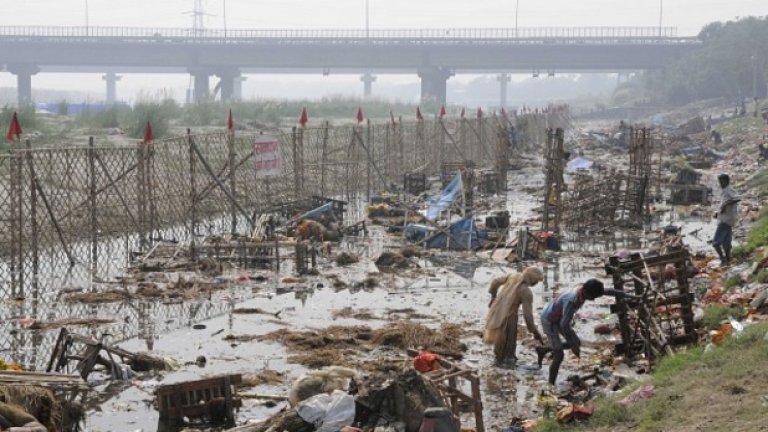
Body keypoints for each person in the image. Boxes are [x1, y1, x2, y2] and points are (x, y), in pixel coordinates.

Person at [536, 279, 634, 386]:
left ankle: (544, 349)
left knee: (577, 342)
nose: (593, 299)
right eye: (592, 297)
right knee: (559, 355)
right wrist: (572, 345)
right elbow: (564, 325)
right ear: (586, 292)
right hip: (549, 319)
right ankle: (551, 385)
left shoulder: (584, 289)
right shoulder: (572, 301)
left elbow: (608, 291)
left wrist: (627, 295)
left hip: (560, 317)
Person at [484, 267, 545, 367]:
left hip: (497, 309)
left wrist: (493, 297)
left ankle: (498, 361)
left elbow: (495, 282)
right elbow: (528, 316)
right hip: (510, 316)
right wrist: (534, 331)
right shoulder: (526, 292)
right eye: (536, 281)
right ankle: (506, 365)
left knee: (499, 339)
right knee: (509, 343)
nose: (536, 283)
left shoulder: (513, 276)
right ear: (531, 278)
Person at [712, 174, 740, 266]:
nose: (720, 183)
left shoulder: (729, 190)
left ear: (727, 181)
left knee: (715, 243)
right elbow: (724, 204)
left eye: (721, 181)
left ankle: (723, 260)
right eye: (719, 182)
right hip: (727, 220)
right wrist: (718, 212)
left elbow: (737, 198)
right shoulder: (725, 191)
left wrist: (725, 204)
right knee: (726, 243)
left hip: (725, 220)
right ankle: (728, 261)